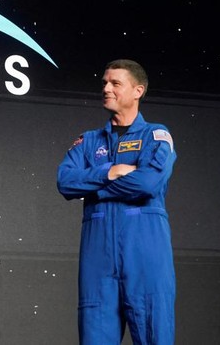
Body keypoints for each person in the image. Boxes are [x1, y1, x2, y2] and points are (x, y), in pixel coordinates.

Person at [56, 59, 177, 345]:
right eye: (104, 83)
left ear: (138, 90)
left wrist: (94, 188)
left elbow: (148, 183)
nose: (106, 88)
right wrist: (109, 172)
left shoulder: (156, 135)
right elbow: (65, 182)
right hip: (98, 259)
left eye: (115, 83)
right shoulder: (87, 141)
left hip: (145, 254)